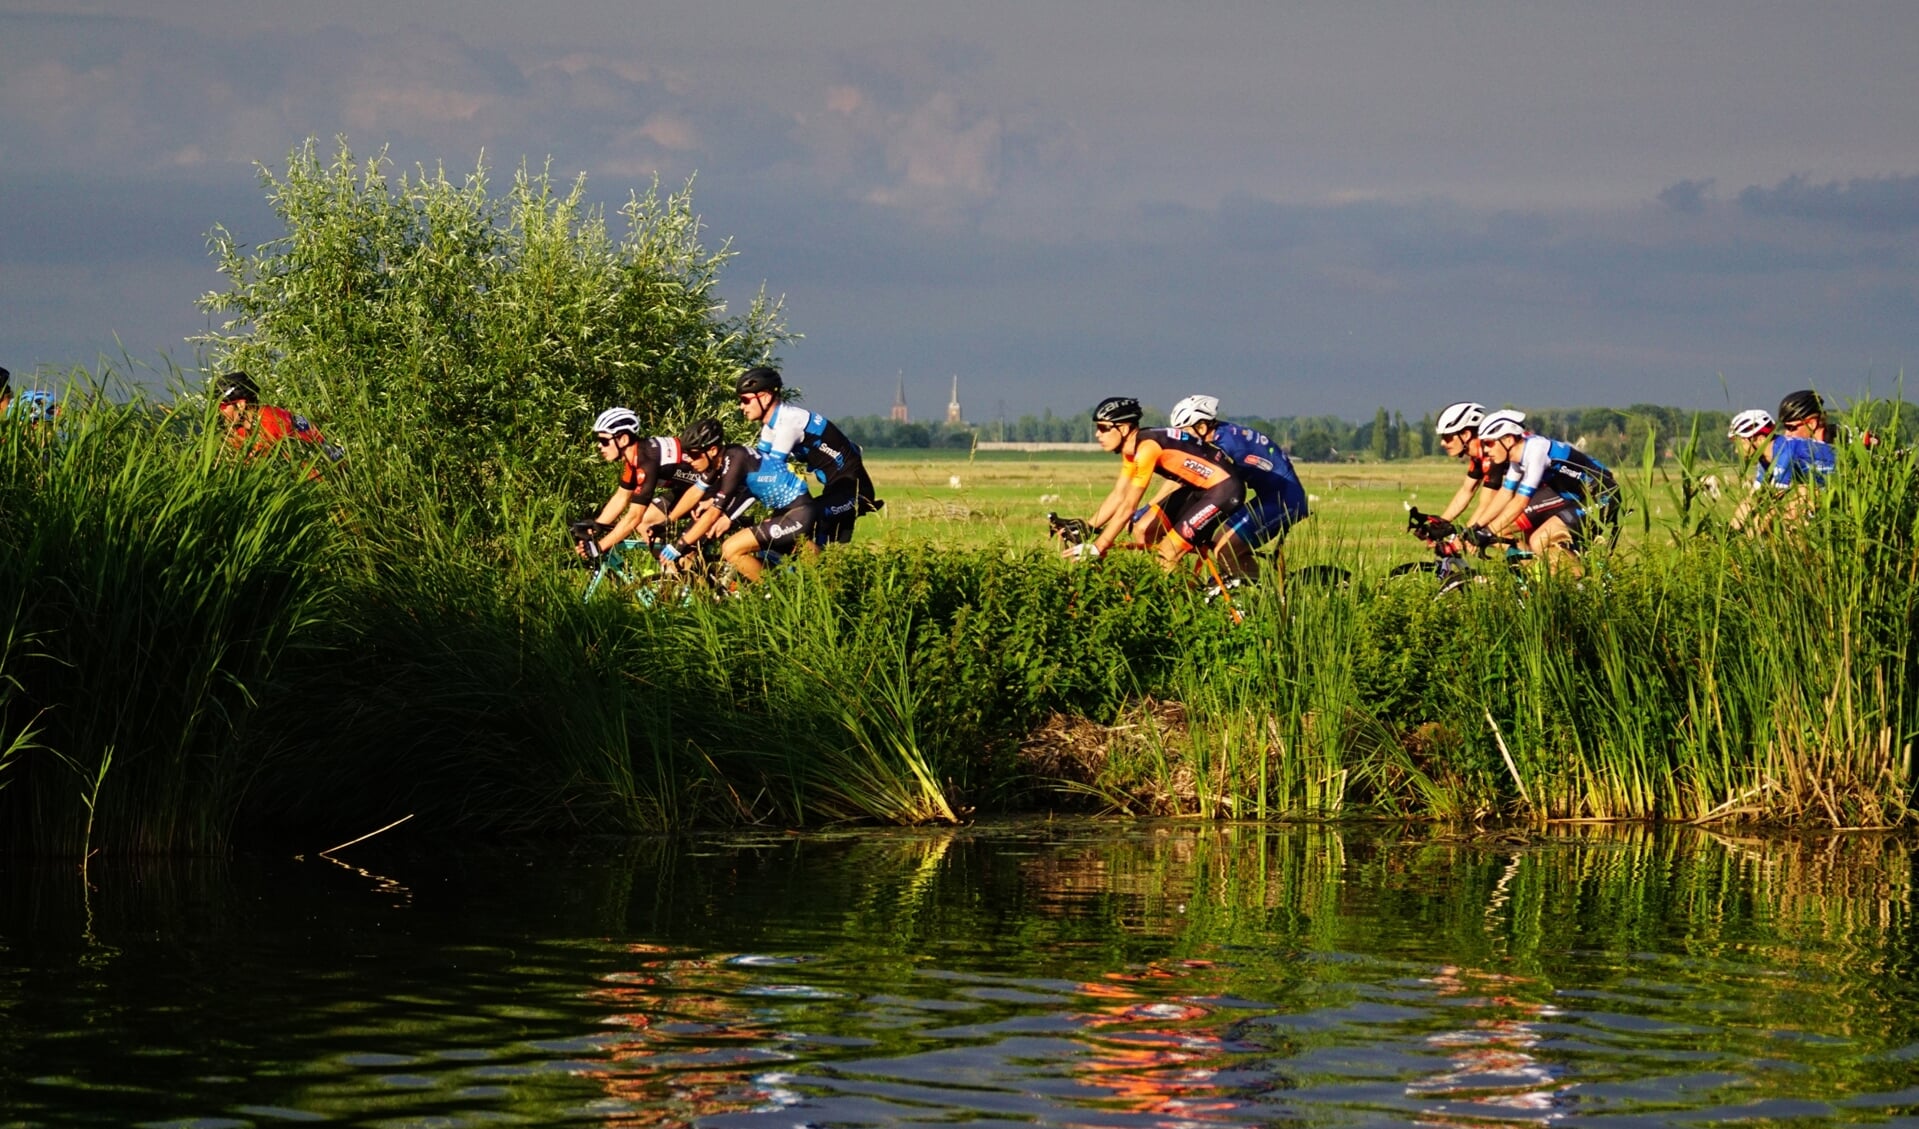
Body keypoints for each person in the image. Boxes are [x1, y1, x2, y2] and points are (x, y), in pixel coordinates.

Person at [1077, 396, 1246, 574]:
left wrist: (1099, 546)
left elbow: (1128, 506)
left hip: (1224, 490)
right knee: (1143, 530)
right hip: (1199, 489)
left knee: (1167, 552)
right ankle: (1175, 584)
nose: (1097, 434)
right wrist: (1088, 527)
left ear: (1124, 428)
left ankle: (1185, 596)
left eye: (1103, 428)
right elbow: (1119, 494)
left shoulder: (1147, 448)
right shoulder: (1131, 449)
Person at [733, 366, 879, 547]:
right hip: (834, 487)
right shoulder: (771, 427)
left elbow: (770, 474)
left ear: (765, 397)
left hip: (855, 491)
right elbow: (756, 468)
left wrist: (730, 509)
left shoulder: (789, 424)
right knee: (784, 525)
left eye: (745, 400)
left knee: (805, 520)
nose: (741, 406)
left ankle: (819, 573)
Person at [1166, 395, 1307, 580]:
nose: (1181, 439)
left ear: (1201, 427)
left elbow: (1218, 488)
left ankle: (1247, 603)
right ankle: (1254, 594)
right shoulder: (1221, 434)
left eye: (1184, 432)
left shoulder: (1225, 447)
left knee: (1226, 550)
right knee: (1221, 545)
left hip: (1285, 500)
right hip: (1270, 496)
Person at [666, 417, 817, 584]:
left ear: (713, 450)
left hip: (798, 512)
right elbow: (695, 492)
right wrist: (667, 521)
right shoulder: (721, 460)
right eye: (687, 455)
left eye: (694, 455)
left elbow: (713, 514)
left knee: (731, 549)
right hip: (783, 511)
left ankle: (775, 594)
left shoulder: (735, 461)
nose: (690, 461)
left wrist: (679, 544)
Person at [1468, 409, 1619, 573]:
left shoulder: (1536, 452)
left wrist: (1489, 532)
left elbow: (1520, 502)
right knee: (1544, 548)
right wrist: (1477, 527)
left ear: (1509, 439)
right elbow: (1505, 494)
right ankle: (1562, 586)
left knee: (1539, 540)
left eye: (1489, 443)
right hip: (1577, 497)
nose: (1485, 450)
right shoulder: (1517, 458)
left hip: (1604, 494)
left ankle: (1585, 587)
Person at [580, 407, 707, 558]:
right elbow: (621, 497)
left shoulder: (646, 461)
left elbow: (634, 516)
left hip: (710, 490)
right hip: (687, 490)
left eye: (604, 441)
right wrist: (596, 527)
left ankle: (685, 570)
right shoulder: (635, 456)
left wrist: (600, 547)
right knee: (646, 523)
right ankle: (669, 572)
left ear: (623, 439)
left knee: (684, 552)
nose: (599, 446)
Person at [1728, 406, 1833, 531]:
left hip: (1838, 481)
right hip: (1815, 484)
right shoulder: (1766, 459)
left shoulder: (1785, 452)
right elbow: (1753, 497)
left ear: (1760, 439)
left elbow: (1773, 500)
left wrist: (1754, 530)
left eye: (1741, 444)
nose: (1736, 450)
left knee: (1790, 519)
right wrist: (1730, 529)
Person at [216, 371, 339, 465]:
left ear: (241, 405)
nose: (219, 411)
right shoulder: (246, 426)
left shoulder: (271, 421)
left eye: (222, 406)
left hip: (320, 482)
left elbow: (251, 465)